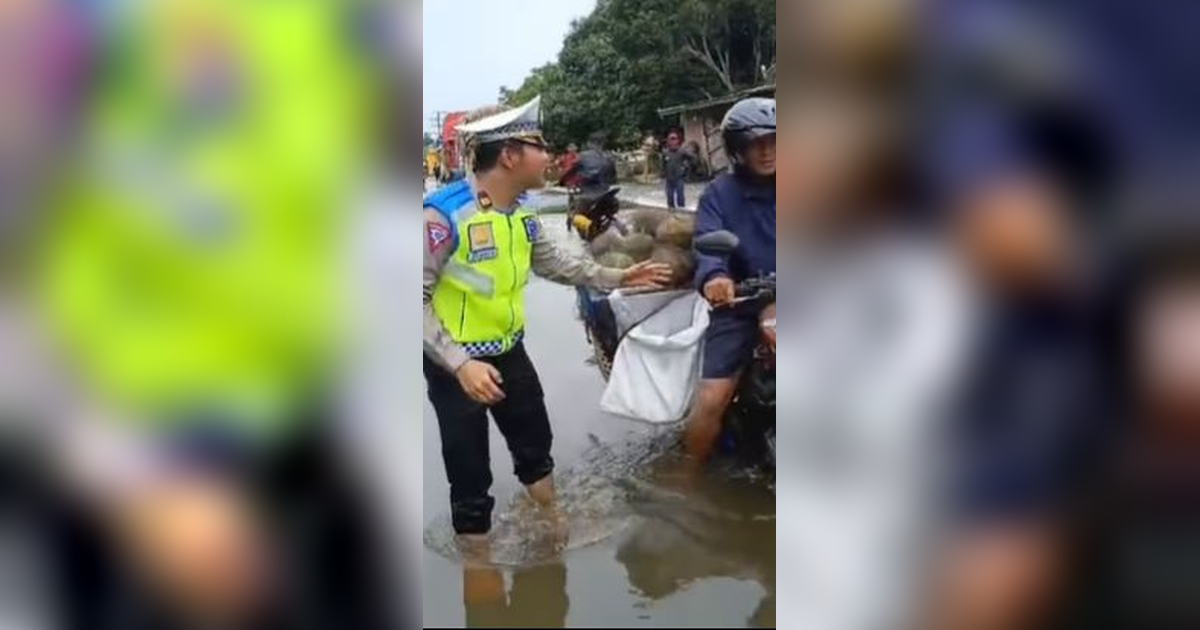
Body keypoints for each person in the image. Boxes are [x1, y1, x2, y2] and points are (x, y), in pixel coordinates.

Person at [422, 96, 671, 556]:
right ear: (511, 155)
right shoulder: (442, 215)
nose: (552, 155)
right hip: (453, 365)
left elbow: (555, 264)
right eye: (540, 145)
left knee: (535, 445)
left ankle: (553, 525)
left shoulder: (522, 210)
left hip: (508, 351)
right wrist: (460, 366)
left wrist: (619, 276)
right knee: (469, 473)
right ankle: (479, 572)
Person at [682, 97, 776, 468]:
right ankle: (686, 478)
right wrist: (716, 277)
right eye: (757, 143)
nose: (768, 151)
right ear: (737, 149)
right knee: (712, 398)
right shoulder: (720, 193)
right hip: (741, 302)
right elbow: (708, 244)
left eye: (775, 141)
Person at [662, 131, 692, 209]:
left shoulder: (682, 151)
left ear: (678, 141)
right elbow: (663, 164)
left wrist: (686, 167)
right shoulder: (665, 153)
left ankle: (682, 215)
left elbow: (692, 158)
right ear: (668, 141)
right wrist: (664, 174)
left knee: (680, 199)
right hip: (669, 180)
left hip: (679, 178)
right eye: (671, 139)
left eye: (675, 139)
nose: (673, 141)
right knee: (670, 198)